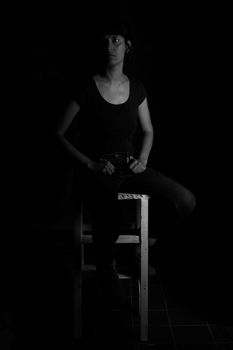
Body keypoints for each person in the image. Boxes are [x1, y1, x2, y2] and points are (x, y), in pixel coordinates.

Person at [55, 14, 196, 305]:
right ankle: (108, 270)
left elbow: (148, 130)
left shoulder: (138, 88)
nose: (110, 46)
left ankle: (144, 246)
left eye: (116, 40)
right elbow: (57, 134)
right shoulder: (87, 87)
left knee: (185, 200)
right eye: (106, 40)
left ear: (127, 46)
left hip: (128, 166)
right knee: (111, 219)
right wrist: (90, 164)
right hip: (99, 170)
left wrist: (142, 159)